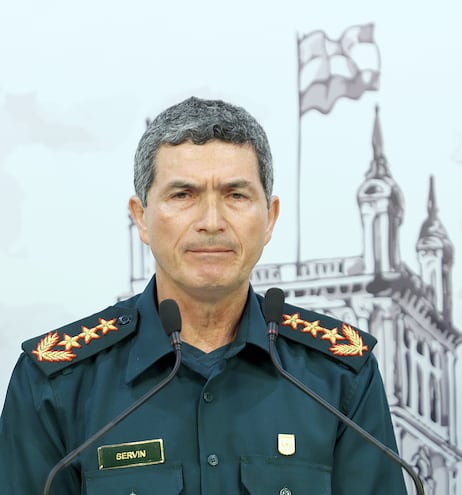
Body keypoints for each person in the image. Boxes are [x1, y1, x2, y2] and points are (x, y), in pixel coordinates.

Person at [0, 96, 408, 494]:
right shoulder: (56, 384)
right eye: (183, 195)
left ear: (270, 219)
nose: (211, 222)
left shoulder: (338, 377)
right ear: (141, 218)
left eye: (236, 195)